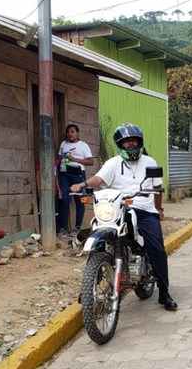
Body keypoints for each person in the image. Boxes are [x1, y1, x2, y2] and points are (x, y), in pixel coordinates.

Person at [70, 123, 178, 311]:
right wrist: (82, 184)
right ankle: (90, 285)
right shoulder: (112, 163)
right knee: (99, 236)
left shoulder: (150, 162)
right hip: (118, 208)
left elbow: (158, 188)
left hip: (144, 209)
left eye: (134, 141)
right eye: (127, 142)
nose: (131, 144)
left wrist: (158, 209)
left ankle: (164, 292)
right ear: (120, 144)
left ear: (140, 142)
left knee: (156, 248)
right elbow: (99, 179)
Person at [56, 124, 94, 235]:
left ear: (77, 133)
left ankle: (77, 228)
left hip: (78, 175)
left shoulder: (83, 145)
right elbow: (59, 158)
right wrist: (55, 166)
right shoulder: (63, 144)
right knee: (64, 200)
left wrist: (75, 159)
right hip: (64, 174)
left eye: (72, 131)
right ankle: (63, 228)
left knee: (80, 201)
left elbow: (91, 161)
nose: (70, 134)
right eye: (68, 132)